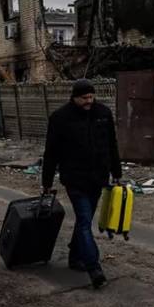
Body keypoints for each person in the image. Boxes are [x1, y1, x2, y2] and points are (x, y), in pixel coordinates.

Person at [41, 79, 121, 289]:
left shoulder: (103, 113)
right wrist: (47, 181)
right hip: (75, 179)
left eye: (91, 97)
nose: (89, 101)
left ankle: (75, 257)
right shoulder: (60, 119)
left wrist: (117, 173)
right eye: (84, 98)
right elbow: (51, 153)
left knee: (84, 220)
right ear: (74, 97)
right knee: (85, 220)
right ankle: (94, 267)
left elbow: (112, 145)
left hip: (98, 177)